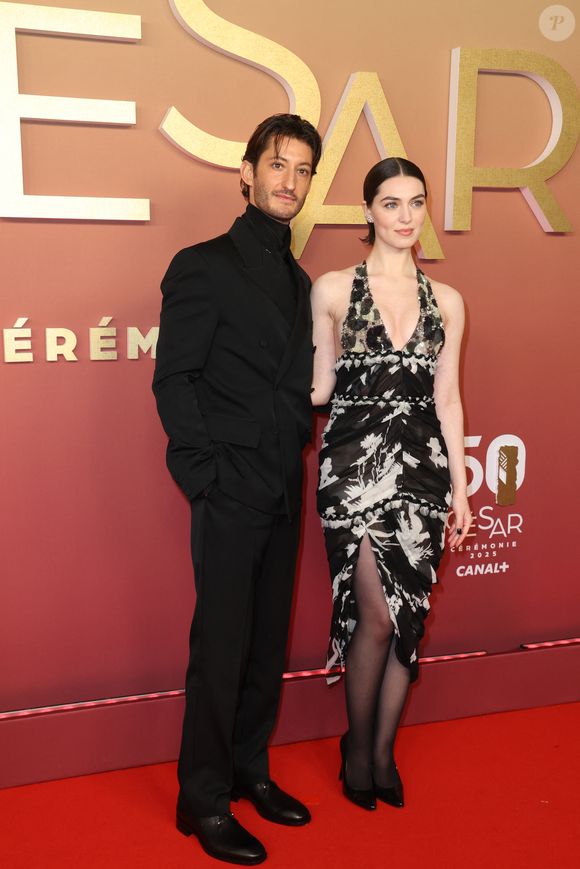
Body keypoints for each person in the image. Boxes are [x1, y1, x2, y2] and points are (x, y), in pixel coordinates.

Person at [153, 113, 322, 865]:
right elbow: (174, 378)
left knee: (264, 644)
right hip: (228, 487)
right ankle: (203, 797)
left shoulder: (300, 279)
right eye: (277, 164)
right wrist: (205, 477)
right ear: (247, 174)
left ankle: (250, 769)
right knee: (220, 649)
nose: (290, 180)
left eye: (303, 169)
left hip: (282, 483)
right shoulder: (203, 266)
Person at [311, 157, 472, 811]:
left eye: (416, 202)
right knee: (376, 615)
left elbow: (448, 399)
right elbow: (319, 387)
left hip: (423, 473)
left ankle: (381, 754)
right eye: (391, 203)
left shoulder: (448, 301)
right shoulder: (331, 289)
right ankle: (357, 750)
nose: (406, 216)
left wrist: (461, 490)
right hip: (353, 471)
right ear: (368, 211)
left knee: (408, 618)